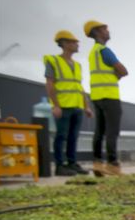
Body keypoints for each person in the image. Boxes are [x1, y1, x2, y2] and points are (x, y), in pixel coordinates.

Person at [44, 30, 93, 176]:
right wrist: (56, 105)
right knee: (61, 136)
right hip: (63, 107)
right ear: (64, 43)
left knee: (73, 137)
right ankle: (60, 166)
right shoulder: (53, 61)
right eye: (74, 42)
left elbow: (79, 87)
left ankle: (72, 163)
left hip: (77, 107)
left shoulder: (77, 65)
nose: (77, 44)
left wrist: (86, 106)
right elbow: (50, 84)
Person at [84, 20, 128, 176]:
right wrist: (117, 74)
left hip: (96, 96)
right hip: (109, 95)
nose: (108, 32)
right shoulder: (104, 50)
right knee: (112, 131)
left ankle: (97, 164)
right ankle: (112, 164)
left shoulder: (93, 52)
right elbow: (123, 70)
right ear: (97, 32)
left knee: (99, 131)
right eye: (105, 29)